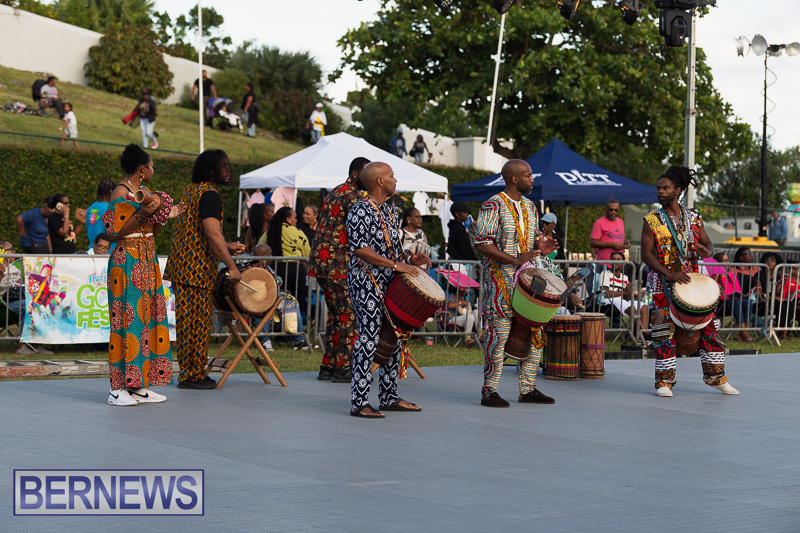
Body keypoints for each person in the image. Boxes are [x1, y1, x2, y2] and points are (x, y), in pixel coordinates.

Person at [641, 165, 738, 397]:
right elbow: (646, 254)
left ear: (678, 190)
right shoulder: (652, 220)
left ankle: (716, 378)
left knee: (710, 327)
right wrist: (669, 273)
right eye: (658, 188)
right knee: (664, 329)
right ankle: (664, 382)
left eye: (665, 188)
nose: (660, 192)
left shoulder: (694, 217)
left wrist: (706, 251)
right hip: (663, 283)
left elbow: (709, 244)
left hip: (691, 283)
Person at [103, 144, 185, 406]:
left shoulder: (146, 193)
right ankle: (117, 389)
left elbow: (152, 231)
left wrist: (163, 217)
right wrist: (142, 214)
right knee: (126, 322)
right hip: (127, 260)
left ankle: (138, 385)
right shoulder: (120, 191)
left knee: (148, 320)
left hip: (146, 258)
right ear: (142, 168)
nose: (153, 170)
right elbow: (115, 232)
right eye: (151, 166)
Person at [474, 159, 558, 408]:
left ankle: (527, 388)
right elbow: (482, 243)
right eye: (528, 176)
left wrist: (539, 247)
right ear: (514, 178)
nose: (532, 180)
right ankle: (489, 391)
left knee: (534, 329)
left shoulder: (531, 207)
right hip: (499, 281)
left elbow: (530, 243)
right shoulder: (493, 205)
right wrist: (514, 258)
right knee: (498, 335)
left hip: (528, 281)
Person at [347, 162, 427, 417]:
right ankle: (359, 402)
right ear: (380, 181)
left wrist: (408, 260)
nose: (396, 180)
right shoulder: (360, 210)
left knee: (392, 337)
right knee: (369, 339)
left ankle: (388, 396)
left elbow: (391, 250)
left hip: (389, 282)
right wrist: (396, 265)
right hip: (366, 281)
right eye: (392, 176)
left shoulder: (389, 212)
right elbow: (361, 249)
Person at [164, 149, 245, 390]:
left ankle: (190, 372)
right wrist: (232, 266)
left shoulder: (191, 191)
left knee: (188, 323)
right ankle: (193, 375)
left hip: (184, 266)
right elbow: (211, 233)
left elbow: (198, 231)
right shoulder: (210, 195)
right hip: (196, 270)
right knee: (197, 324)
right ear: (211, 170)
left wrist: (226, 245)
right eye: (223, 165)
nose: (228, 169)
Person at [308, 157, 370, 382]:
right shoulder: (352, 195)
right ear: (355, 174)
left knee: (337, 315)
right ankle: (343, 368)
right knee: (349, 316)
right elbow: (361, 232)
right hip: (338, 263)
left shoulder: (338, 190)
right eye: (367, 172)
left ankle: (329, 366)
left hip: (326, 261)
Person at [260, 206, 311, 349]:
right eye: (294, 217)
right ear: (288, 219)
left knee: (273, 302)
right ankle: (295, 335)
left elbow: (259, 248)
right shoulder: (297, 233)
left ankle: (274, 332)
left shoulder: (269, 232)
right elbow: (308, 253)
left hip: (275, 271)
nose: (296, 220)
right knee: (295, 302)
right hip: (296, 269)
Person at [598, 250, 649, 331]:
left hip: (621, 301)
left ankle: (640, 335)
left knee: (644, 307)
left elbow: (627, 298)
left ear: (623, 263)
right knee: (632, 309)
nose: (615, 262)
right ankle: (646, 334)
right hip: (607, 301)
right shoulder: (605, 274)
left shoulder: (624, 277)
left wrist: (628, 291)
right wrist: (624, 292)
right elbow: (605, 294)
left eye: (618, 260)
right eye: (613, 259)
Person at [712, 251, 753, 342]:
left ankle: (741, 333)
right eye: (723, 261)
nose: (726, 263)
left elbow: (737, 291)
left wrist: (740, 296)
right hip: (721, 304)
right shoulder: (712, 275)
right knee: (736, 303)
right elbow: (713, 290)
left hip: (733, 302)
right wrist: (717, 274)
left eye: (727, 260)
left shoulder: (731, 275)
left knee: (747, 302)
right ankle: (744, 332)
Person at [86, 179, 115, 253]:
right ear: (111, 191)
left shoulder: (91, 208)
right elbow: (112, 233)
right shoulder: (109, 209)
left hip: (92, 250)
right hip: (106, 252)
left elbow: (89, 230)